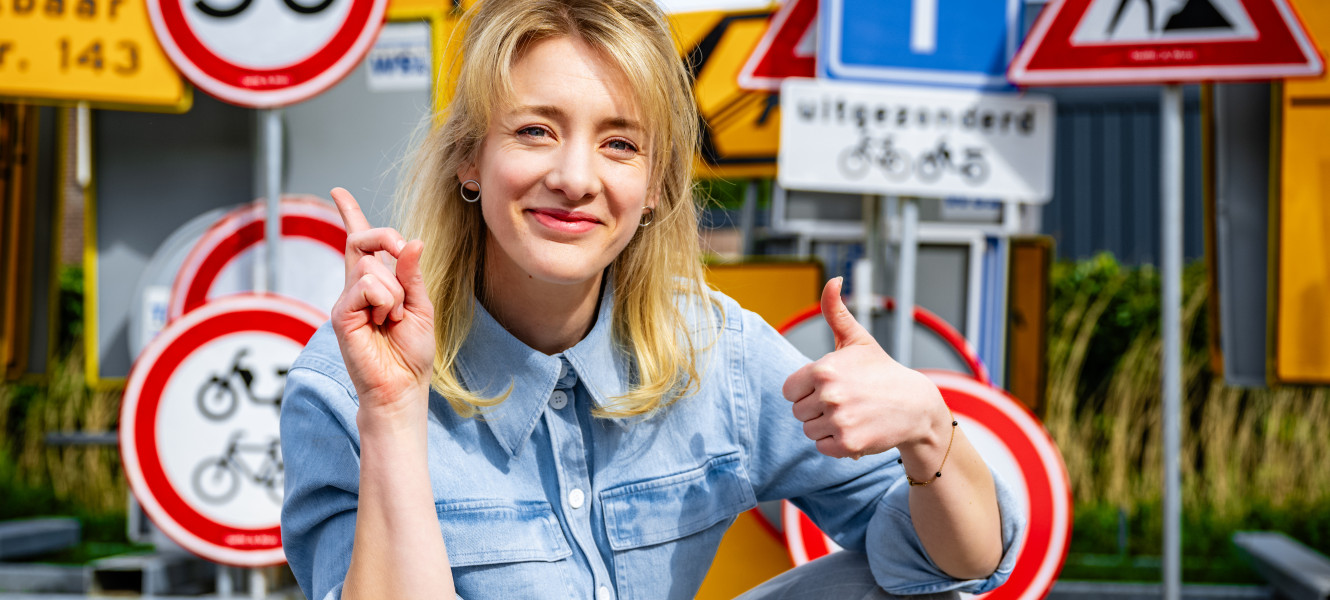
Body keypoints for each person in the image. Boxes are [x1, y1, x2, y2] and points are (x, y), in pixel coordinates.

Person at [280, 0, 1025, 598]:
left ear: (659, 187)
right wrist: (391, 410)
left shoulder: (716, 351)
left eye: (619, 144)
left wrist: (929, 426)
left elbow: (960, 561)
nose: (575, 177)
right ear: (470, 159)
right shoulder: (347, 383)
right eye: (536, 131)